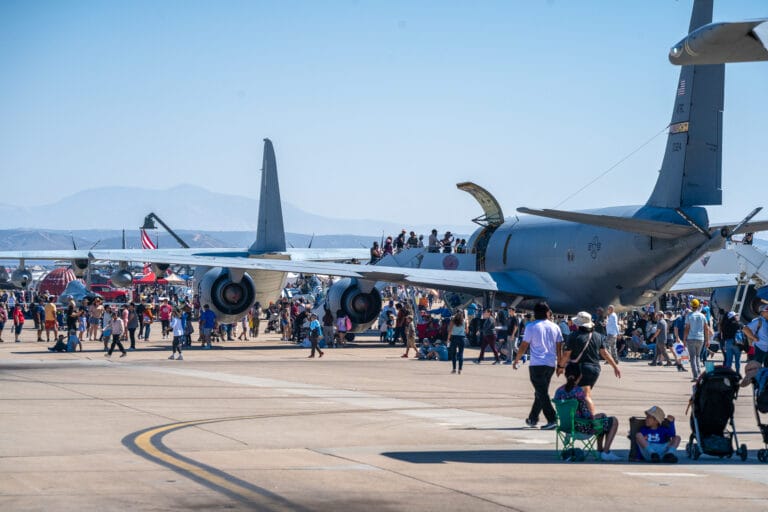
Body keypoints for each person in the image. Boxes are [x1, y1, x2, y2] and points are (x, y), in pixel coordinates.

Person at [553, 363, 621, 461]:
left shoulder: (558, 391)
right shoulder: (579, 392)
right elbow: (587, 415)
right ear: (580, 376)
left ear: (565, 375)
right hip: (581, 429)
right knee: (613, 421)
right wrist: (594, 417)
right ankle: (605, 452)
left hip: (566, 427)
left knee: (602, 417)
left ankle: (599, 451)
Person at [557, 311, 621, 415]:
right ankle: (582, 418)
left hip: (582, 369)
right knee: (584, 394)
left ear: (578, 324)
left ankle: (590, 420)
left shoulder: (574, 336)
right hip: (595, 369)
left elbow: (566, 354)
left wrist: (560, 366)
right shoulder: (598, 336)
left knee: (585, 395)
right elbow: (605, 353)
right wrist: (615, 367)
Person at [512, 302, 563, 430]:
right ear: (547, 312)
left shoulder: (531, 326)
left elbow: (524, 345)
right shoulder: (555, 327)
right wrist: (560, 365)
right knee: (540, 392)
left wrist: (516, 359)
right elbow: (559, 347)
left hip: (537, 364)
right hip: (550, 364)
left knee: (542, 392)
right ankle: (533, 418)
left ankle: (552, 418)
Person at [684, 298, 709, 381]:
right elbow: (706, 328)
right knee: (698, 357)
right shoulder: (702, 316)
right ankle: (699, 374)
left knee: (692, 358)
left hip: (691, 338)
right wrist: (707, 340)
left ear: (691, 306)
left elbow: (687, 328)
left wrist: (684, 339)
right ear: (698, 306)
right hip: (700, 338)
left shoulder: (689, 316)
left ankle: (696, 376)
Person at [448, 310, 467, 374]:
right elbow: (467, 331)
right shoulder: (464, 321)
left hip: (454, 338)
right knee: (461, 354)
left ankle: (454, 369)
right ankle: (460, 369)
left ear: (456, 313)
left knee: (454, 354)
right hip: (461, 338)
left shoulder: (453, 320)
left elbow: (450, 330)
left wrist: (448, 339)